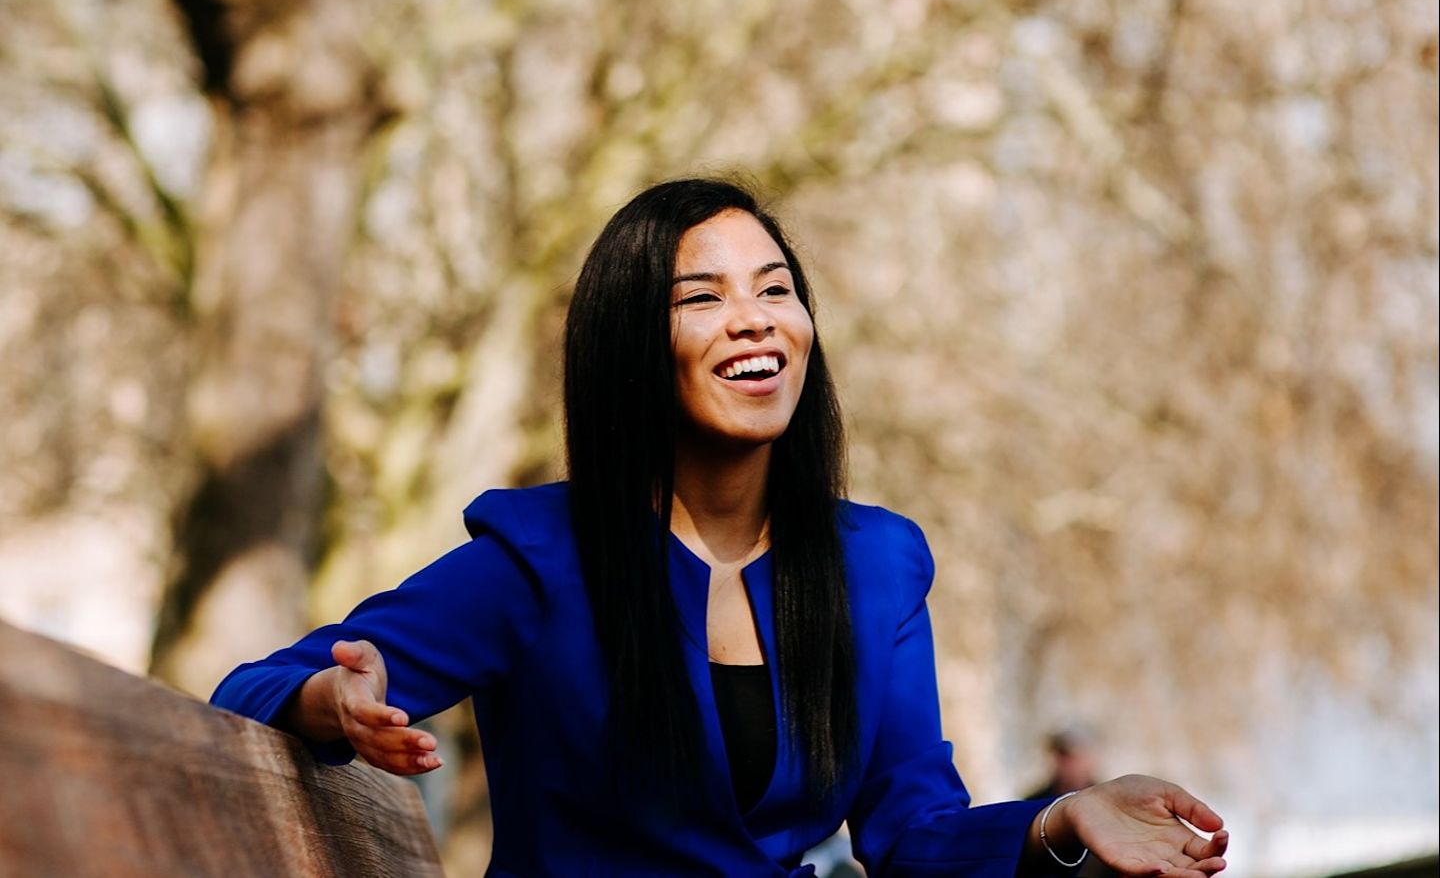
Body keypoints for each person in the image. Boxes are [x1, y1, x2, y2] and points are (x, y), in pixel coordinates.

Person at [211, 178, 1229, 877]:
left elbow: (913, 832)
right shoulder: (540, 560)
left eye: (775, 289)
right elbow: (247, 689)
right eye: (704, 298)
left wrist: (1058, 821)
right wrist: (334, 699)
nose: (755, 319)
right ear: (632, 351)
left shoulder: (876, 566)